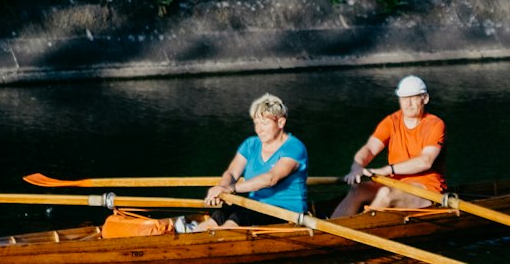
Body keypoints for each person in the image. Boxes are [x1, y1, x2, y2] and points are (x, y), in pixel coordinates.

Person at [184, 93, 308, 231]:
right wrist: (221, 189)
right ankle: (189, 237)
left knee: (239, 217)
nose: (259, 129)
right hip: (254, 207)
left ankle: (216, 241)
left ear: (281, 122)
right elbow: (231, 173)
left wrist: (231, 189)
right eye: (256, 123)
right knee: (219, 215)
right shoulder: (251, 144)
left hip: (286, 213)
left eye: (264, 123)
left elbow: (271, 179)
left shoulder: (294, 148)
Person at [331, 75, 447, 217]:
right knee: (357, 189)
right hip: (395, 183)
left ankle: (359, 228)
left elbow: (425, 161)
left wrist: (387, 169)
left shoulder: (435, 124)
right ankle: (332, 231)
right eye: (404, 98)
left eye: (413, 98)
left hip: (427, 189)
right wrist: (357, 167)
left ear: (425, 99)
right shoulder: (391, 121)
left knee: (385, 194)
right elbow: (369, 149)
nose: (408, 104)